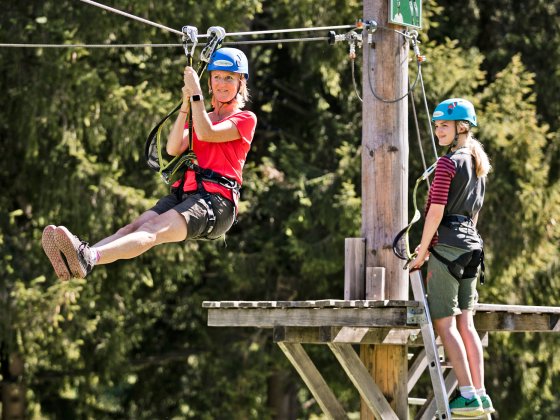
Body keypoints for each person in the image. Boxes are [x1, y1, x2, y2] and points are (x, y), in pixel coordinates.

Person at [42, 47, 257, 280]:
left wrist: (196, 94)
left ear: (240, 82)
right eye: (217, 77)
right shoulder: (200, 114)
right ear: (210, 80)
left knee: (151, 231)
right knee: (130, 229)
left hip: (216, 202)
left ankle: (89, 255)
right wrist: (186, 105)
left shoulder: (245, 119)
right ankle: (82, 257)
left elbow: (207, 133)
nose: (222, 84)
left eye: (229, 78)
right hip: (186, 194)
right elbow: (173, 148)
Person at [409, 98, 494, 417]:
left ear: (462, 127)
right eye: (436, 125)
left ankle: (468, 394)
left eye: (444, 124)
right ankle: (481, 393)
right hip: (473, 248)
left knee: (445, 325)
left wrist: (422, 249)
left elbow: (435, 210)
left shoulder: (447, 163)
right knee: (466, 323)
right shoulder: (477, 165)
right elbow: (474, 213)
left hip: (446, 247)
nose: (438, 130)